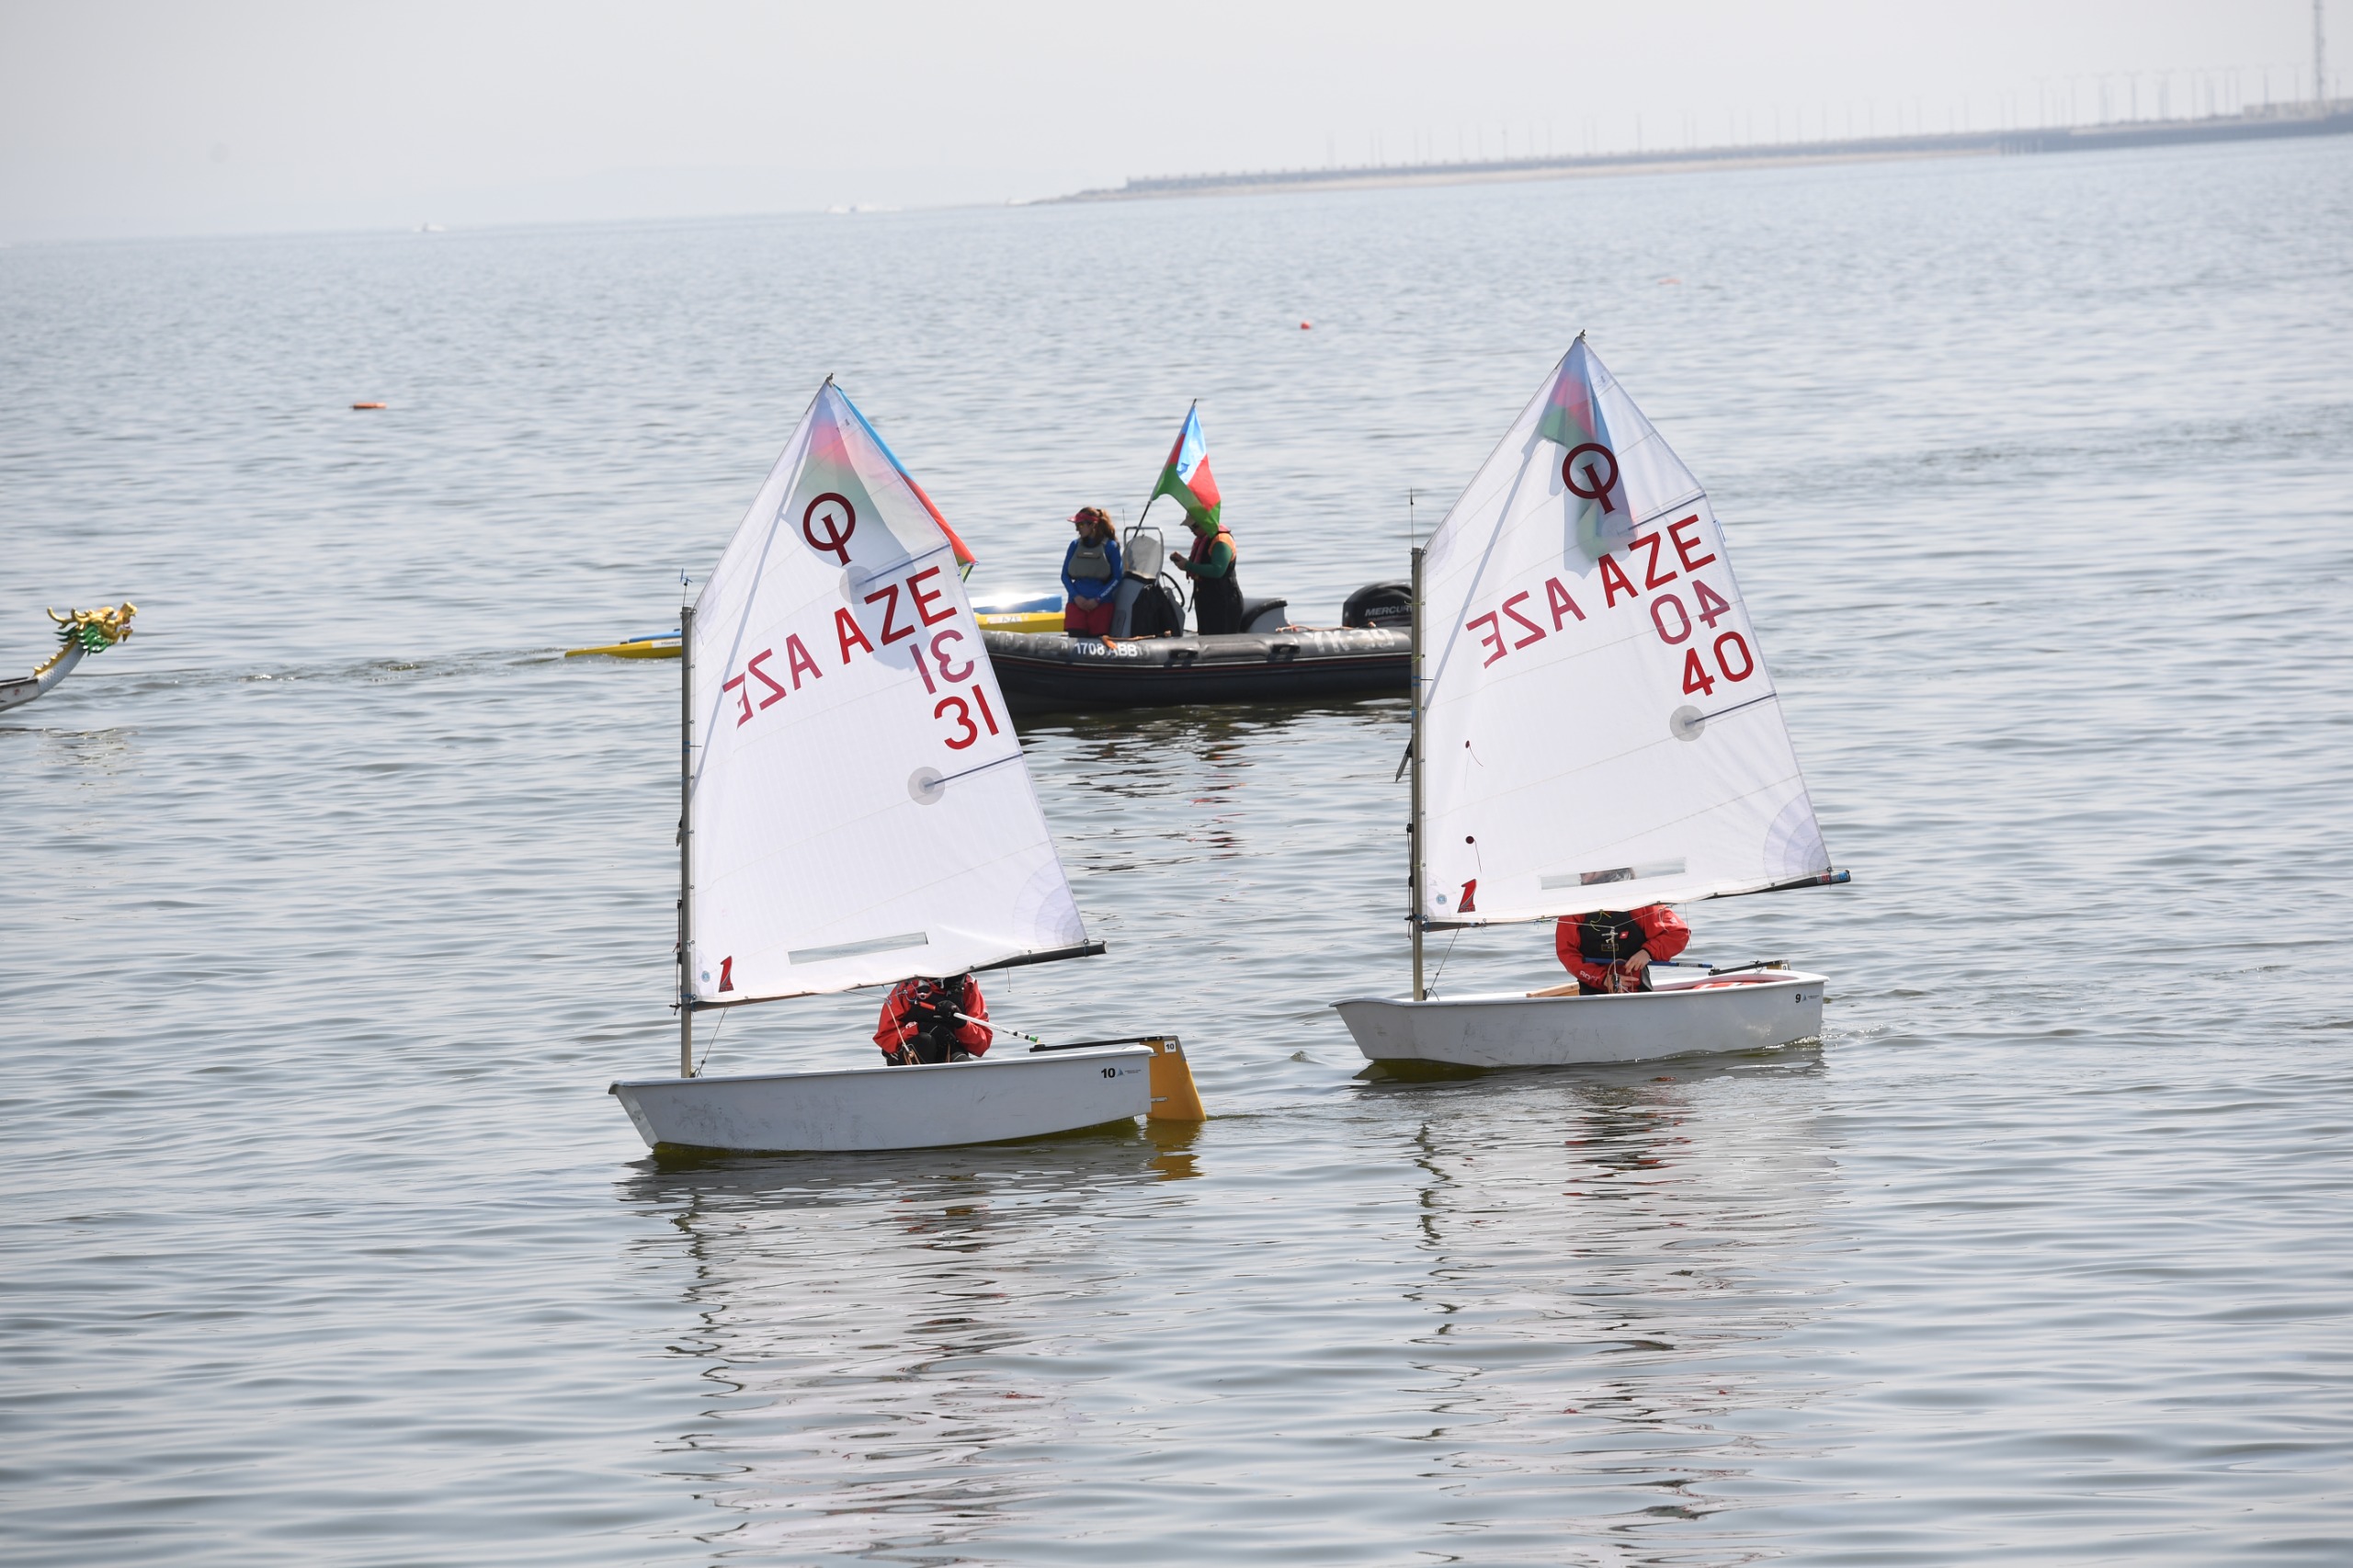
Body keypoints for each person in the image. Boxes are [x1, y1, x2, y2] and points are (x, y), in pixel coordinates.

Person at [1530, 905, 1690, 996]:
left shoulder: (1640, 903)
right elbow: (1567, 953)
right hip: (1591, 994)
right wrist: (1602, 978)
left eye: (1592, 870)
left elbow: (1679, 933)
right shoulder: (1575, 909)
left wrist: (1648, 952)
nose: (1585, 874)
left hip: (1638, 993)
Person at [873, 973, 993, 1064]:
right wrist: (920, 1028)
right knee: (925, 1041)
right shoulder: (907, 987)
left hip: (948, 1049)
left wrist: (962, 1024)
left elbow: (981, 1046)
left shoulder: (969, 986)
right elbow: (885, 1037)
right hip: (910, 1052)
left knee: (964, 1065)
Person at [1170, 506, 1244, 634]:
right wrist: (1183, 561)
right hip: (1206, 600)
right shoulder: (1202, 540)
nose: (1192, 530)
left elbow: (1217, 570)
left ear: (1206, 522)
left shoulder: (1221, 541)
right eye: (1190, 528)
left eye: (1195, 526)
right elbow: (1199, 565)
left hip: (1224, 601)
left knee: (1221, 639)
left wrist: (1188, 566)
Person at [1061, 506, 1123, 636]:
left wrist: (1098, 599)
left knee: (1097, 642)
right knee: (1075, 640)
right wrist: (1076, 596)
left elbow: (1117, 578)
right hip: (1076, 604)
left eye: (1080, 525)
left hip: (1101, 606)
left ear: (1093, 525)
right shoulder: (1074, 545)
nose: (1077, 529)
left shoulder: (1111, 546)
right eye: (1076, 525)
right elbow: (1065, 576)